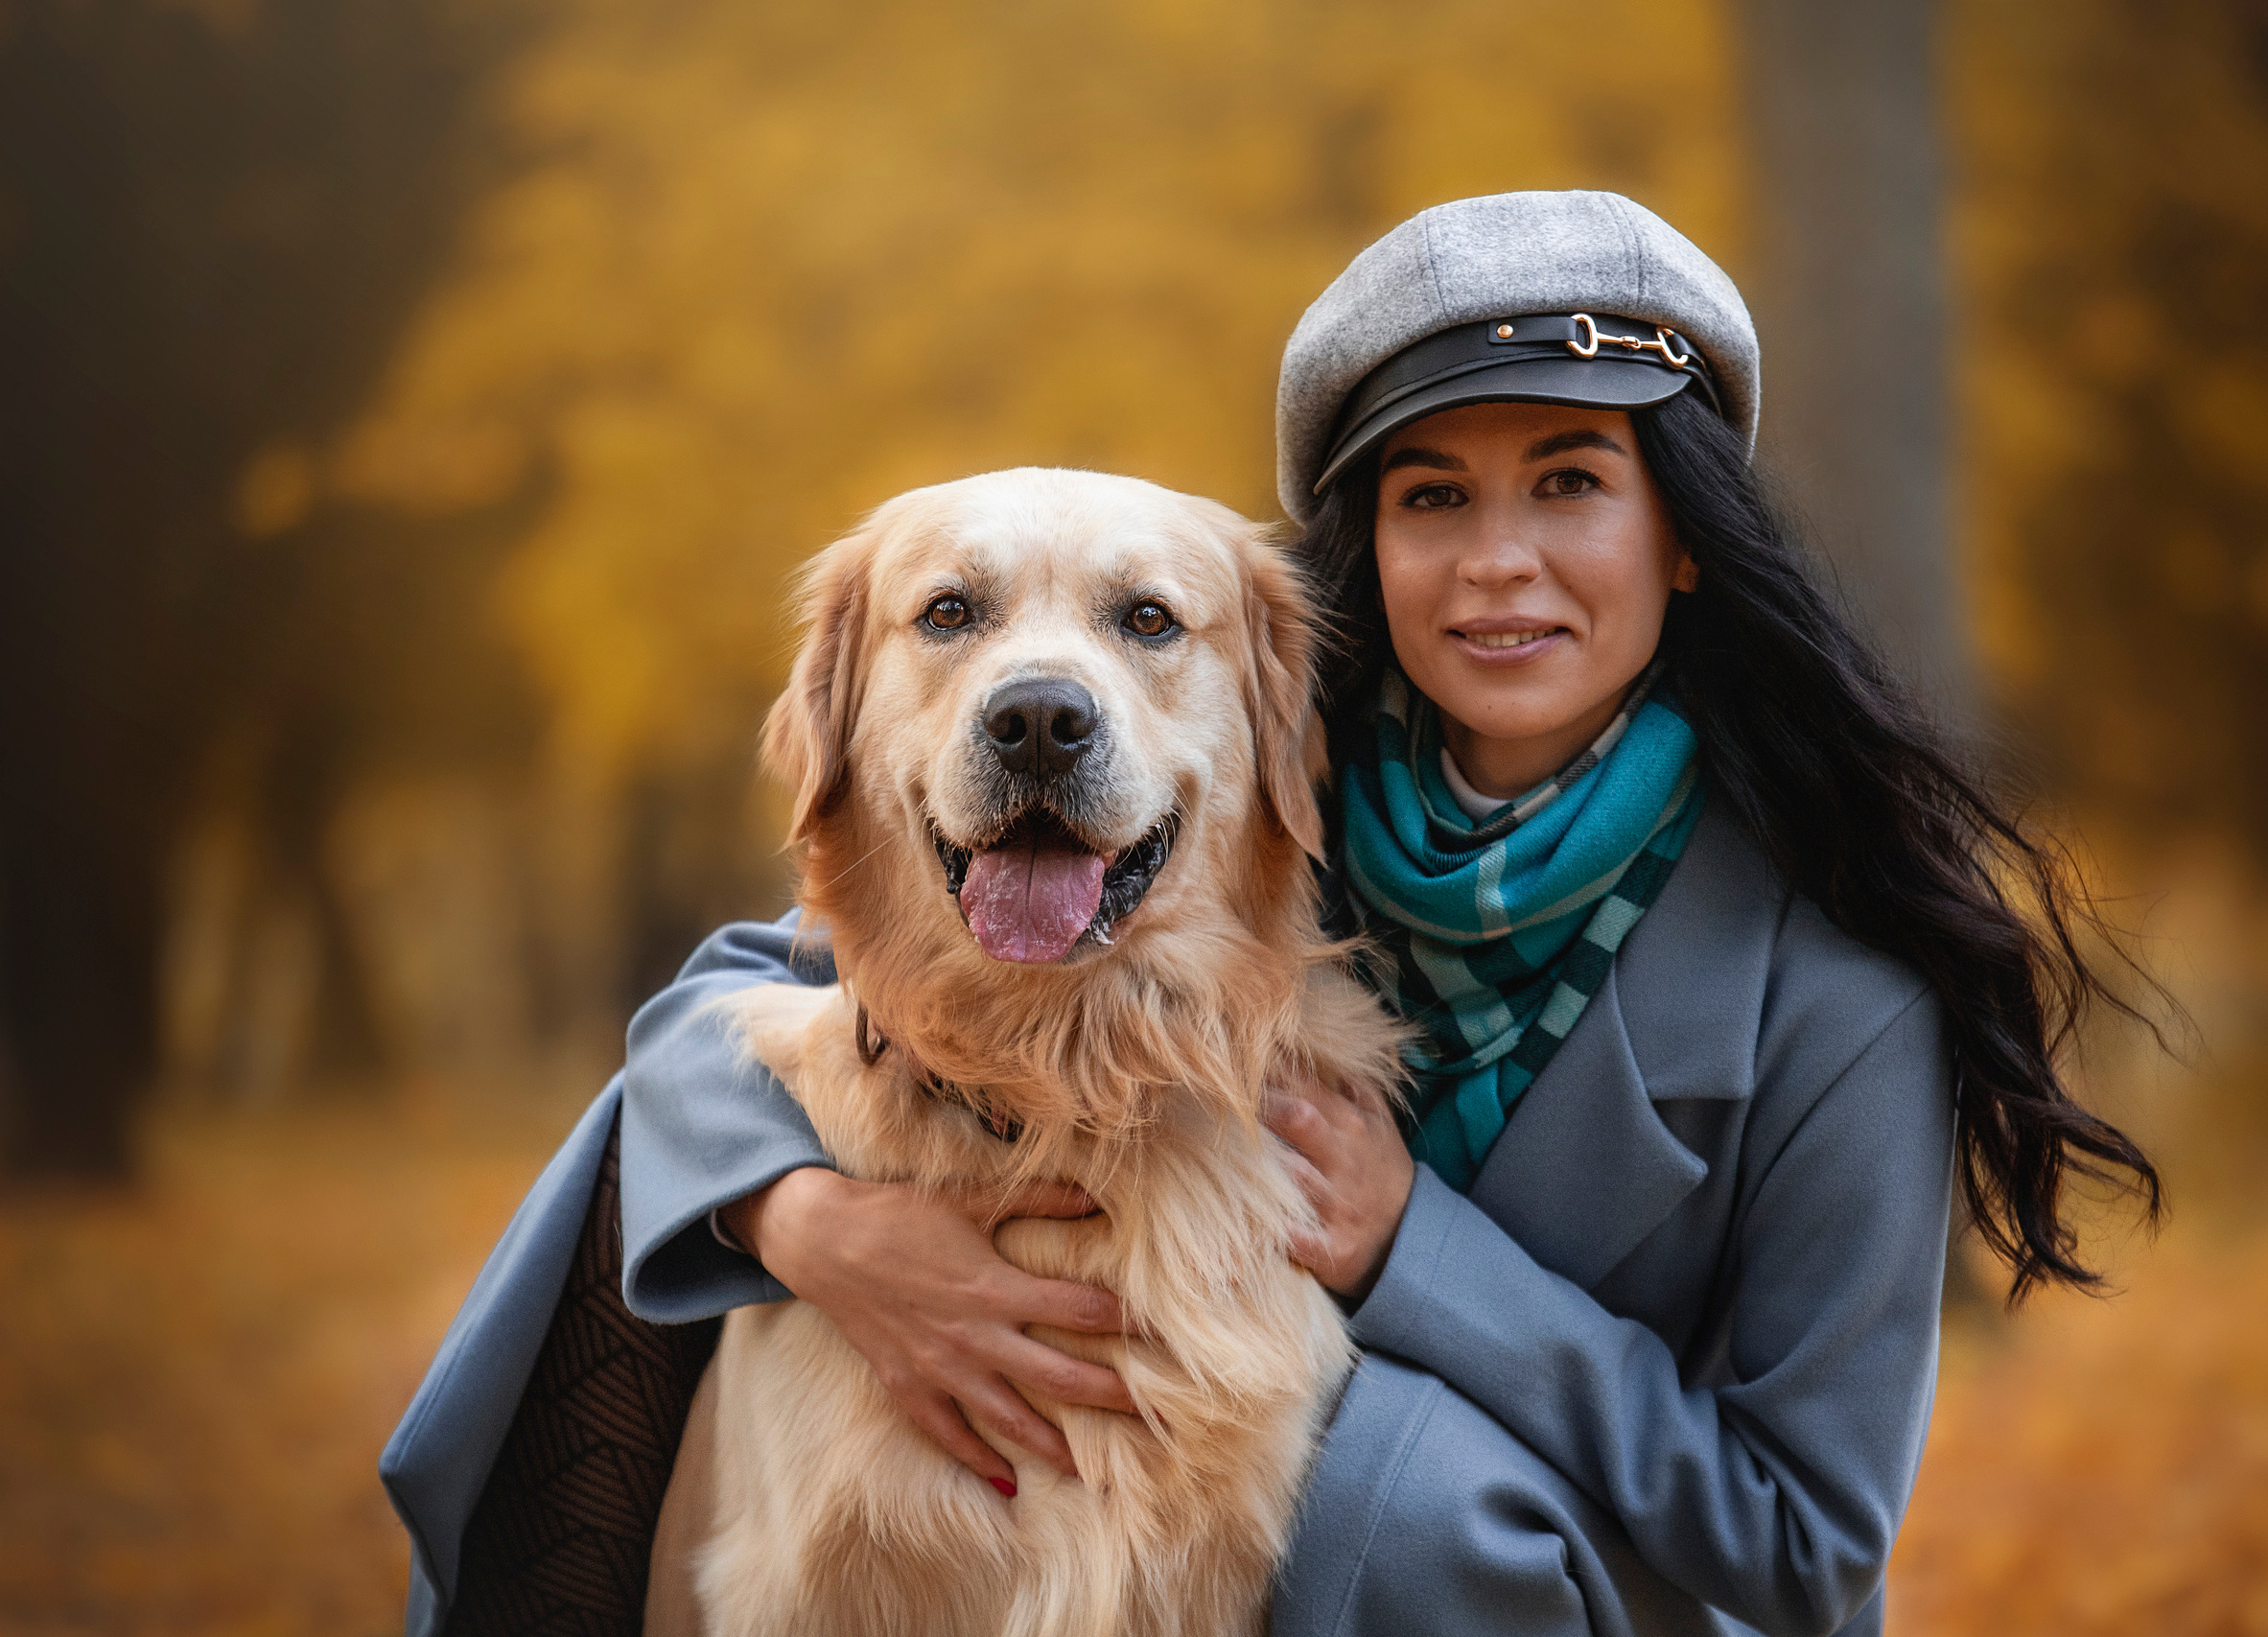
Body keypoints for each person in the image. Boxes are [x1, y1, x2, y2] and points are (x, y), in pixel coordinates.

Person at [382, 190, 2162, 1637]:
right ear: (1362, 558)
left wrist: (1408, 1254)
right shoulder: (1261, 815)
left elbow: (1807, 1548)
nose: (1500, 561)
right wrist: (807, 1223)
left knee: (1408, 1503)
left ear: (1680, 530)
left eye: (1571, 481)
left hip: (1561, 1605)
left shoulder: (1835, 987)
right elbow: (751, 999)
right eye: (1431, 497)